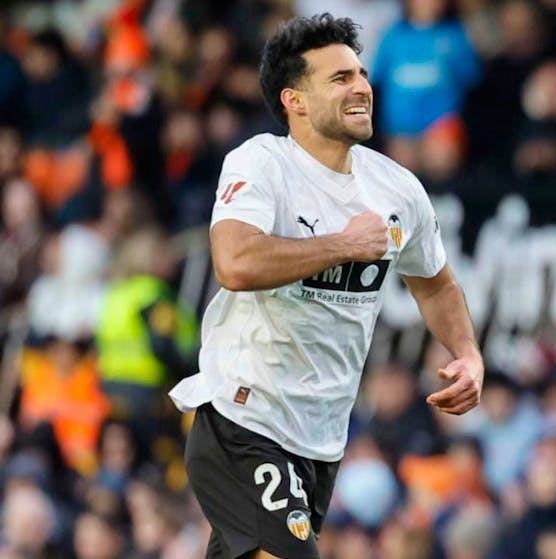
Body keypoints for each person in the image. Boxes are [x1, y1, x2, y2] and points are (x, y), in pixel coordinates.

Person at [167, 14, 484, 559]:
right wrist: (343, 245)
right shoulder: (261, 164)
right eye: (339, 78)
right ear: (295, 100)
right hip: (245, 418)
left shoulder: (397, 188)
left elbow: (436, 284)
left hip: (320, 438)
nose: (361, 86)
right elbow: (235, 263)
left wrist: (468, 355)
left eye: (360, 73)